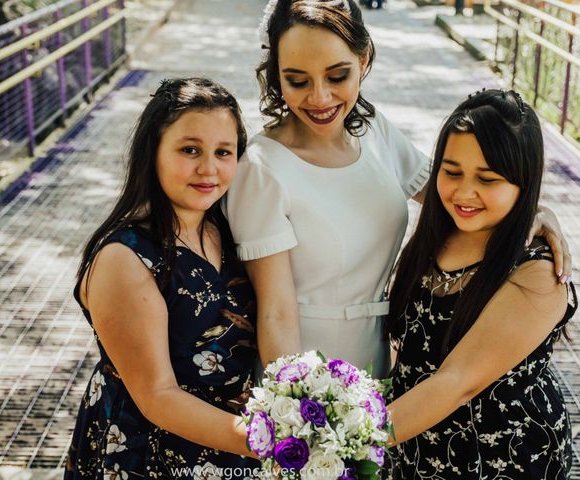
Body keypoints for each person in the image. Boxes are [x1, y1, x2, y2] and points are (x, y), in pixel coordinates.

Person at [224, 0, 571, 378]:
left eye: (337, 76)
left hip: (380, 360)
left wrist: (538, 212)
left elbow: (455, 192)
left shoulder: (374, 132)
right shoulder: (261, 168)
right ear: (276, 75)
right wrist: (295, 404)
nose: (319, 98)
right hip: (303, 364)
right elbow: (275, 311)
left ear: (364, 58)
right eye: (297, 80)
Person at [64, 78, 259, 479]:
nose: (208, 168)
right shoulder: (125, 257)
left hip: (231, 449)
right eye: (190, 150)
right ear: (153, 151)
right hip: (150, 456)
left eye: (224, 152)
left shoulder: (230, 230)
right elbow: (158, 395)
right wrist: (275, 441)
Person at [384, 89, 576, 479]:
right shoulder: (438, 237)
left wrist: (346, 437)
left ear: (524, 183)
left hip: (501, 460)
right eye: (451, 172)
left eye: (487, 179)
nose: (464, 192)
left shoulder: (537, 273)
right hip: (417, 445)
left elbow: (457, 383)